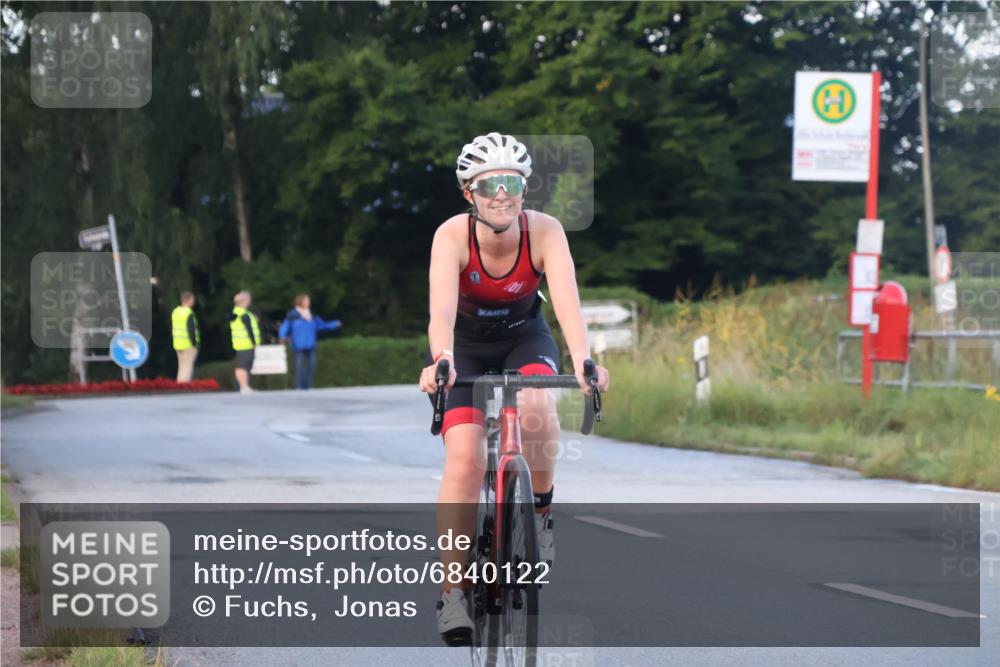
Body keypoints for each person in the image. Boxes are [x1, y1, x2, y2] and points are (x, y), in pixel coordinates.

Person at [418, 132, 610, 645]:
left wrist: (586, 360)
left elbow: (567, 302)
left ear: (524, 190)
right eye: (489, 186)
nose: (501, 194)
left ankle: (540, 510)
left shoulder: (545, 232)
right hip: (464, 348)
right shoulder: (451, 236)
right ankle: (453, 592)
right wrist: (441, 359)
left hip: (526, 337)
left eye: (512, 183)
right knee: (463, 460)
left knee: (539, 409)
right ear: (469, 194)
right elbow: (439, 309)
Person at [278, 294, 342, 390]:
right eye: (306, 301)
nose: (308, 303)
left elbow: (321, 325)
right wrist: (282, 336)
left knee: (311, 365)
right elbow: (286, 326)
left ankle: (307, 385)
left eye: (308, 301)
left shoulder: (312, 315)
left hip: (310, 343)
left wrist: (334, 324)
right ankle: (299, 385)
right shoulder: (292, 315)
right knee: (299, 365)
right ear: (300, 302)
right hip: (298, 343)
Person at [230, 290, 260, 395]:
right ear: (244, 301)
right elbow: (249, 329)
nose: (249, 302)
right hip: (246, 343)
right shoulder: (244, 314)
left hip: (239, 343)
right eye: (248, 299)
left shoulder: (236, 312)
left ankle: (244, 386)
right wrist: (254, 342)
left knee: (242, 366)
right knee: (243, 366)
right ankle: (244, 387)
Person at [171, 292, 200, 383]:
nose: (193, 302)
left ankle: (179, 385)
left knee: (181, 366)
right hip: (188, 344)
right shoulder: (188, 312)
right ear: (189, 300)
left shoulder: (176, 311)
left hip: (178, 343)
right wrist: (194, 343)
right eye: (192, 300)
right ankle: (184, 386)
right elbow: (191, 329)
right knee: (187, 366)